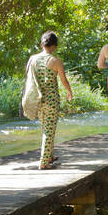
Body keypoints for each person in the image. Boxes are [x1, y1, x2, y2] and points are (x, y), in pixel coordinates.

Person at [30, 31, 73, 169]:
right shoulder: (55, 61)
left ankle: (49, 156)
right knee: (49, 130)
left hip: (38, 99)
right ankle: (43, 162)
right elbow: (64, 80)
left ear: (42, 43)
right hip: (51, 100)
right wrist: (69, 91)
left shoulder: (33, 59)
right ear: (53, 46)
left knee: (45, 128)